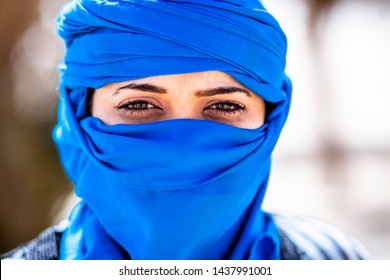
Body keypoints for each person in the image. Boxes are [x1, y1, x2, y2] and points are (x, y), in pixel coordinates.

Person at [1, 0, 369, 260]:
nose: (181, 143)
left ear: (270, 121)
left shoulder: (335, 261)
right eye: (138, 104)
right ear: (80, 117)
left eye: (225, 105)